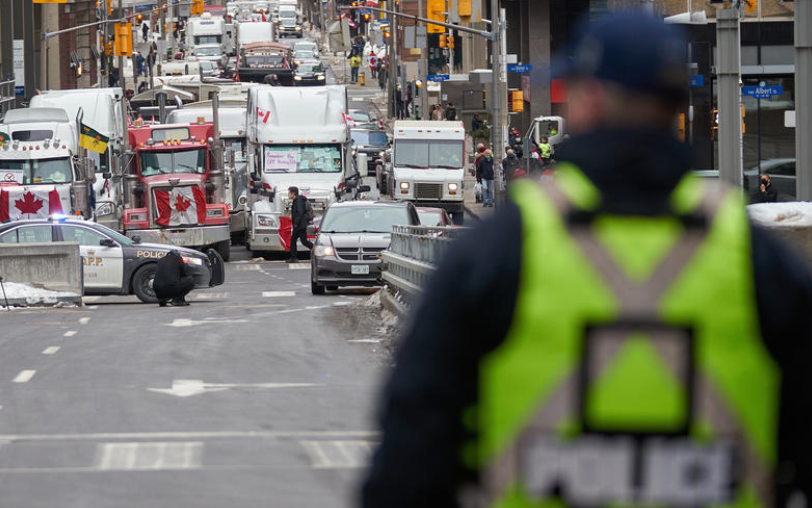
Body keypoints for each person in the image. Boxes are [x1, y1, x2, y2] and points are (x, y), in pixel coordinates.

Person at [362, 12, 812, 508]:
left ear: (589, 100)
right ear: (675, 109)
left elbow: (408, 464)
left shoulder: (495, 256)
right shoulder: (761, 264)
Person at [287, 186, 314, 263]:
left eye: (289, 193)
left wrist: (296, 223)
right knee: (302, 241)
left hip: (299, 225)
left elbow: (300, 212)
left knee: (296, 241)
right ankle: (293, 257)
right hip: (300, 224)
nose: (288, 194)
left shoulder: (298, 200)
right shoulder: (297, 200)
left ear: (293, 193)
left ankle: (294, 258)